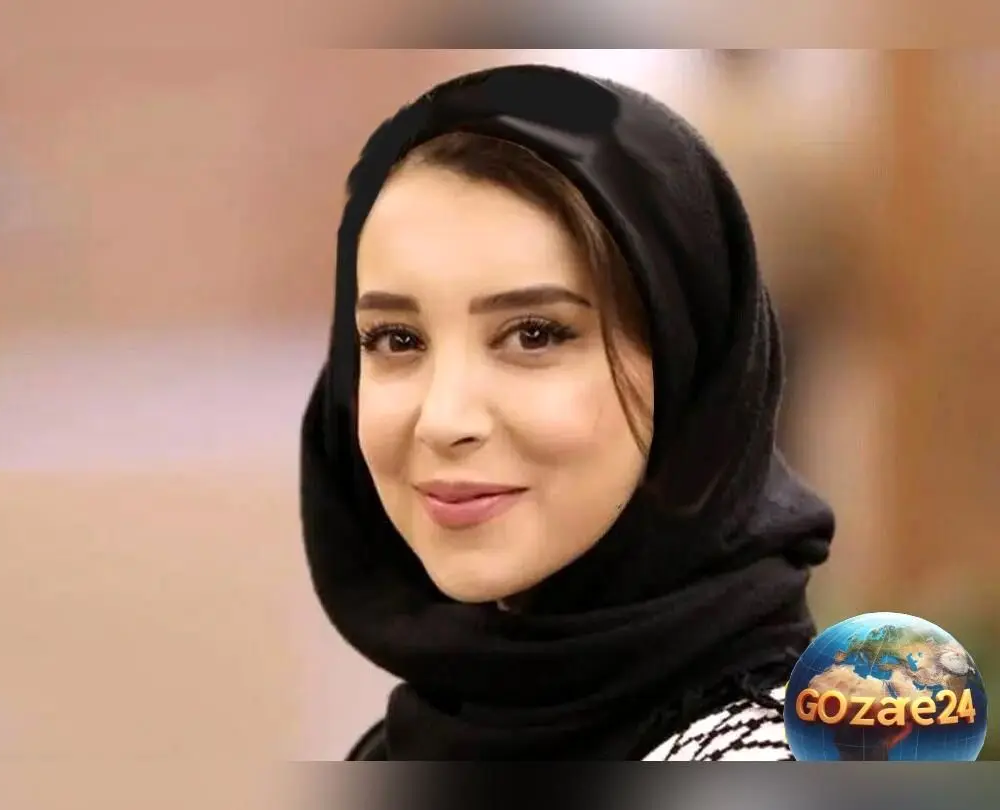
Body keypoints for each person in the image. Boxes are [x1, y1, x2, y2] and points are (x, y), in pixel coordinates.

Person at [299, 64, 835, 761]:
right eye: (397, 339)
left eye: (534, 334)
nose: (444, 419)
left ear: (689, 364)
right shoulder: (427, 737)